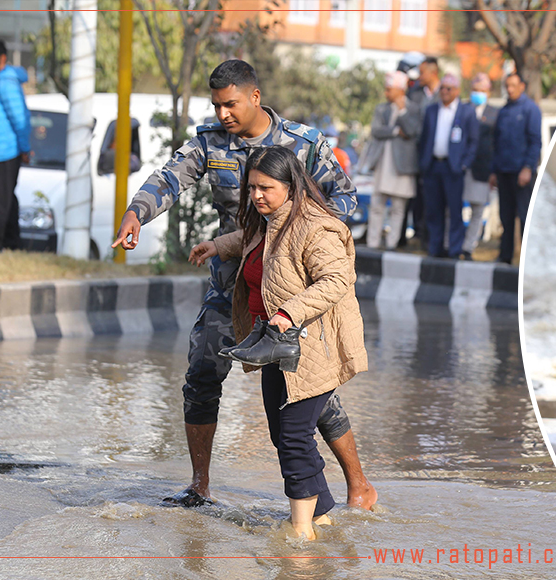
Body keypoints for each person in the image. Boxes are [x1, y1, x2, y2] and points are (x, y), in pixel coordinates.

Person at [111, 60, 377, 510]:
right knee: (200, 374)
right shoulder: (211, 143)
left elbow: (346, 198)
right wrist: (137, 211)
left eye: (230, 103)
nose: (223, 114)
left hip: (293, 293)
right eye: (216, 105)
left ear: (254, 96)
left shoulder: (304, 144)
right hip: (232, 286)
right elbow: (168, 179)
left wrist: (300, 225)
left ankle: (358, 484)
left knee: (308, 391)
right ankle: (199, 485)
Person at [189, 146, 367, 540]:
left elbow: (337, 280)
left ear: (291, 185)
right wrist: (217, 246)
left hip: (308, 347)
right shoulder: (270, 222)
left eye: (266, 188)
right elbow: (249, 239)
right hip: (275, 346)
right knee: (280, 433)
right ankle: (322, 518)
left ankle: (301, 535)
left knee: (293, 436)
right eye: (251, 187)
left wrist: (289, 312)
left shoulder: (314, 227)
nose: (256, 196)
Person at [418, 73, 478, 258]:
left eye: (448, 89)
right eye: (442, 88)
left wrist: (464, 164)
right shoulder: (431, 110)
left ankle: (454, 249)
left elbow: (473, 141)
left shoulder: (466, 112)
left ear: (457, 91)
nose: (444, 92)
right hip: (433, 166)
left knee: (454, 211)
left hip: (453, 168)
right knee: (434, 211)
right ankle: (435, 249)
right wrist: (424, 162)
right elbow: (424, 139)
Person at [0, 38, 31, 253]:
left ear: (2, 58)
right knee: (7, 198)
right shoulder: (1, 81)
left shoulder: (5, 81)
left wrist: (25, 147)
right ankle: (12, 246)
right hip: (0, 150)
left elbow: (20, 118)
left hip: (6, 150)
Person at [362, 70, 421, 250]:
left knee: (398, 208)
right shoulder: (381, 108)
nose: (386, 93)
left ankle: (391, 244)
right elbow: (376, 131)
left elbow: (412, 131)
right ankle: (373, 243)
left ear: (399, 89)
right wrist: (395, 132)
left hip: (403, 165)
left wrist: (402, 111)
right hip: (383, 163)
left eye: (389, 89)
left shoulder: (413, 109)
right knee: (377, 205)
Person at [489, 73, 542, 265]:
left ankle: (527, 261)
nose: (509, 89)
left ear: (521, 86)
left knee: (525, 215)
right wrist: (494, 171)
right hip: (504, 170)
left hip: (521, 173)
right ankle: (505, 256)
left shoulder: (530, 110)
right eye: (507, 86)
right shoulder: (504, 111)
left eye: (513, 85)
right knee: (506, 215)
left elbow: (535, 142)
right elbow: (497, 142)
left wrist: (528, 167)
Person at [403, 56, 442, 249]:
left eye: (422, 71)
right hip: (417, 152)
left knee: (435, 199)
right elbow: (410, 120)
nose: (419, 76)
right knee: (417, 196)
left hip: (441, 156)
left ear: (433, 71)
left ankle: (432, 237)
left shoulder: (445, 91)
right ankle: (418, 233)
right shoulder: (414, 93)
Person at [461, 73, 500, 260]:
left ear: (488, 92)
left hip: (482, 169)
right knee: (453, 209)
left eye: (482, 90)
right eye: (475, 90)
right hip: (460, 168)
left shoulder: (495, 114)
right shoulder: (462, 109)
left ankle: (468, 247)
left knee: (477, 210)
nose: (478, 93)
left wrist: (494, 171)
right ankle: (454, 243)